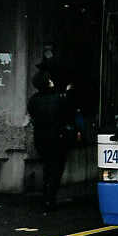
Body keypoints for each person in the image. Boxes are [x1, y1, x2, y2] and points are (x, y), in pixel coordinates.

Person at [27, 71, 74, 210]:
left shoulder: (34, 100)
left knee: (47, 168)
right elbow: (67, 113)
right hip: (57, 138)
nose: (52, 81)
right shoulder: (58, 98)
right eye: (50, 80)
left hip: (40, 138)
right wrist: (67, 93)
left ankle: (46, 198)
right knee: (56, 169)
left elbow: (33, 115)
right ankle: (50, 199)